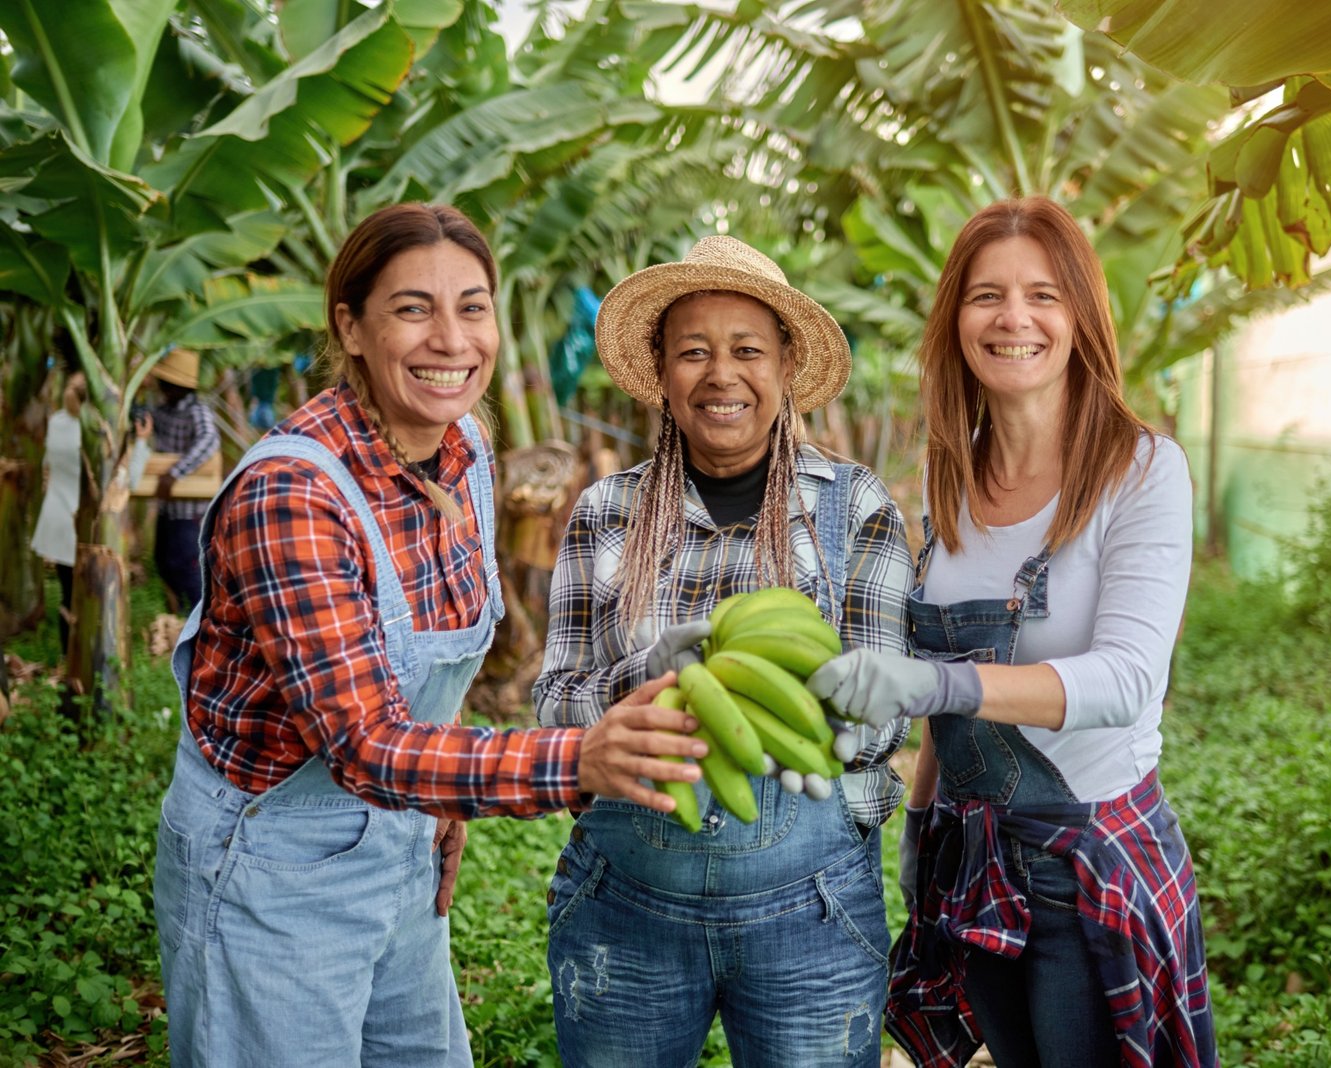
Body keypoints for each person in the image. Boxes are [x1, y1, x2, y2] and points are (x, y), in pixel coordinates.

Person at [152, 203, 707, 1068]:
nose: (451, 339)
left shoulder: (466, 450)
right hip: (275, 867)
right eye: (414, 308)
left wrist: (442, 795)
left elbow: (417, 691)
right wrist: (578, 759)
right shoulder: (296, 495)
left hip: (406, 840)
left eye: (473, 306)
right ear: (353, 326)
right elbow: (364, 739)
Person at [809, 198, 1217, 1067]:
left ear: (1082, 318)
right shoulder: (952, 472)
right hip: (974, 860)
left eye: (1043, 295)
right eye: (986, 294)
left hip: (1085, 871)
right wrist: (920, 825)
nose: (1014, 319)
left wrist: (940, 685)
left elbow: (1126, 679)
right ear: (956, 318)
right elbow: (932, 678)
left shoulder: (1142, 471)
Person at [533, 235, 915, 1066]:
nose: (721, 376)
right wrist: (656, 674)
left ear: (783, 367)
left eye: (747, 350)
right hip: (623, 908)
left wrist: (825, 711)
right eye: (692, 353)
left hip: (812, 912)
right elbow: (554, 705)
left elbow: (887, 722)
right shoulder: (607, 510)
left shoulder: (855, 510)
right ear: (663, 376)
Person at [30, 371, 151, 653]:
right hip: (92, 529)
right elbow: (128, 481)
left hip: (58, 521)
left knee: (68, 593)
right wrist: (141, 442)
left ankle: (67, 655)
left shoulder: (57, 423)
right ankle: (90, 657)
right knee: (94, 596)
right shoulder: (100, 434)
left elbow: (47, 463)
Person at [145, 347, 221, 612]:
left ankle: (199, 623)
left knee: (187, 566)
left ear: (180, 385)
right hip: (168, 507)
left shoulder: (196, 412)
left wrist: (175, 472)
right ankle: (176, 615)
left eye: (166, 383)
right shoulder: (162, 410)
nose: (162, 387)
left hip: (189, 510)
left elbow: (209, 441)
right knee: (163, 561)